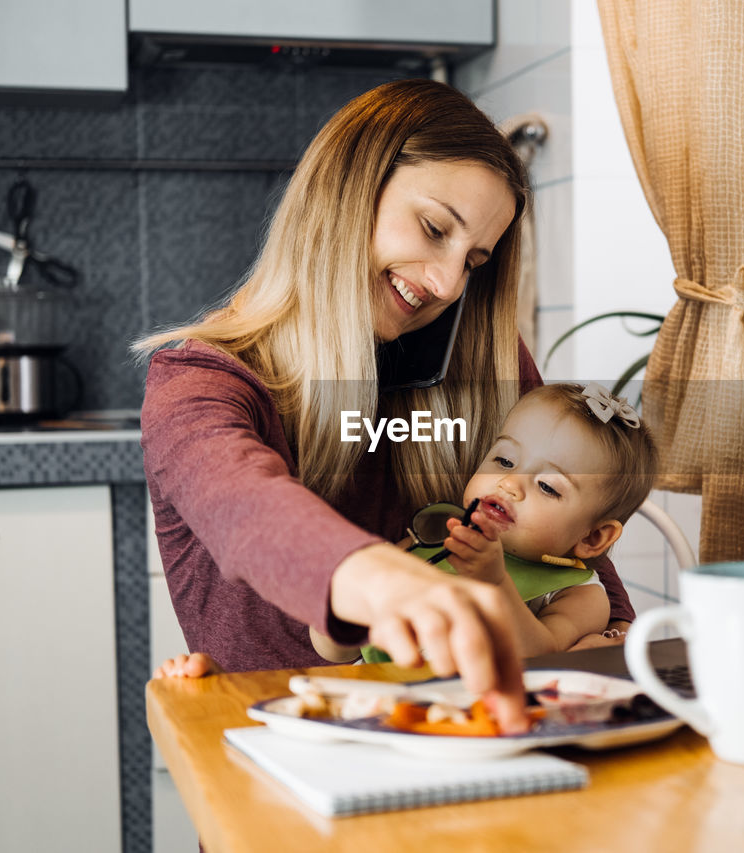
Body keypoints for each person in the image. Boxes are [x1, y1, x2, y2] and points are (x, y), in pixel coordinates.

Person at [138, 79, 636, 730]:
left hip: (472, 753)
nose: (446, 283)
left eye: (475, 261)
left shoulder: (483, 360)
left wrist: (614, 636)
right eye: (434, 228)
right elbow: (247, 508)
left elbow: (577, 553)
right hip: (287, 779)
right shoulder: (197, 382)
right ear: (347, 188)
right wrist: (388, 582)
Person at [309, 382, 659, 663]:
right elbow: (337, 651)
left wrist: (495, 583)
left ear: (594, 537)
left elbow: (539, 657)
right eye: (505, 461)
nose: (509, 484)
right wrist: (348, 593)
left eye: (548, 486)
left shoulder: (580, 594)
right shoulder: (432, 540)